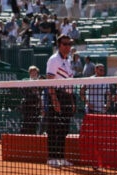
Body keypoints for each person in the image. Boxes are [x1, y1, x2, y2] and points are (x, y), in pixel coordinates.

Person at [43, 35, 76, 167]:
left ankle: (61, 157)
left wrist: (72, 100)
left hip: (67, 96)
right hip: (56, 95)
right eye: (65, 44)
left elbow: (70, 83)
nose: (68, 46)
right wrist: (54, 99)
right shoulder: (53, 60)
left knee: (64, 129)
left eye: (69, 44)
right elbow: (50, 81)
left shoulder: (68, 60)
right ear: (59, 45)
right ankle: (51, 157)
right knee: (53, 127)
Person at [21, 65, 42, 134]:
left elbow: (41, 95)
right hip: (27, 107)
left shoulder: (41, 82)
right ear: (29, 73)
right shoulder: (25, 81)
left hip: (36, 107)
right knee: (25, 123)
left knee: (35, 124)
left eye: (35, 72)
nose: (33, 74)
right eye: (32, 72)